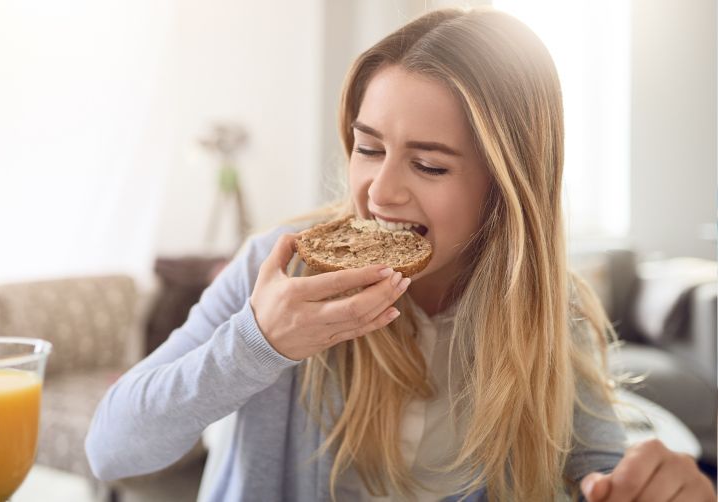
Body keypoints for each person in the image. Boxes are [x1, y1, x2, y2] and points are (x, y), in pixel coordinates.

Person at [85, 7, 714, 501]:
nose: (381, 192)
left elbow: (598, 461)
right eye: (368, 147)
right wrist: (259, 342)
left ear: (505, 187)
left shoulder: (546, 303)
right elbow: (110, 449)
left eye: (429, 163)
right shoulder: (278, 272)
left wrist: (637, 482)